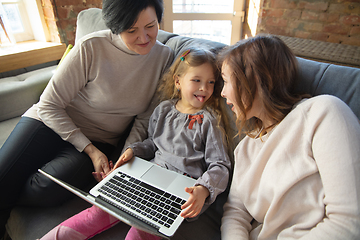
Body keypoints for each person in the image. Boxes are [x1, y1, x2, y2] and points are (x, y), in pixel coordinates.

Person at [0, 0, 173, 237]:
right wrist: (91, 151)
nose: (144, 37)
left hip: (100, 136)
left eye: (151, 26)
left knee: (47, 190)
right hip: (50, 121)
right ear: (116, 27)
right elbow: (50, 104)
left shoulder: (164, 57)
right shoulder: (92, 47)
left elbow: (145, 117)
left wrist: (127, 153)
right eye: (131, 30)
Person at [39, 47, 232, 240]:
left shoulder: (209, 120)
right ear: (178, 81)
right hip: (147, 177)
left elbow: (220, 165)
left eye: (211, 82)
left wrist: (203, 189)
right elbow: (152, 143)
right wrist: (133, 151)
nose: (204, 88)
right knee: (98, 211)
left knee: (139, 234)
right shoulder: (164, 110)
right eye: (196, 80)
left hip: (179, 191)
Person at [219, 35, 360, 239]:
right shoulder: (246, 147)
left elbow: (349, 221)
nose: (222, 93)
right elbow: (235, 212)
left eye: (226, 80)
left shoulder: (322, 113)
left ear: (255, 79)